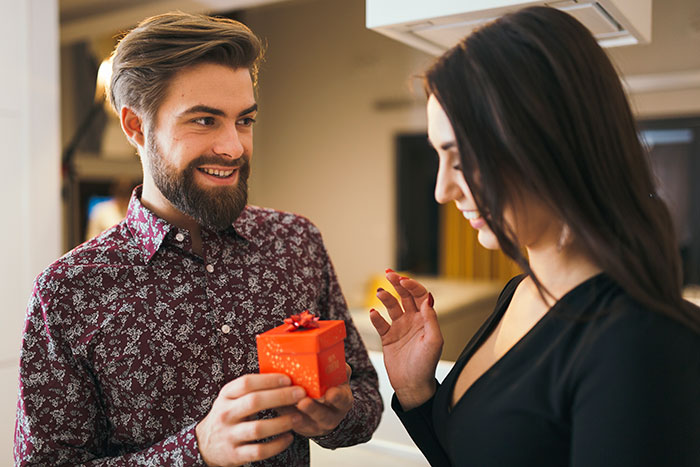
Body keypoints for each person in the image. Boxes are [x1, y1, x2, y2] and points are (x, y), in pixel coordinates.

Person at [15, 12, 382, 466]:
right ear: (135, 126)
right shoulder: (67, 293)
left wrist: (337, 418)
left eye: (244, 120)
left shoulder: (297, 243)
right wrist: (194, 452)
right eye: (205, 121)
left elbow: (364, 393)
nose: (234, 147)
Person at [369, 6, 700, 467]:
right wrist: (415, 389)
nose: (443, 191)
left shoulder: (641, 343)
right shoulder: (521, 291)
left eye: (461, 159)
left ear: (545, 145)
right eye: (438, 159)